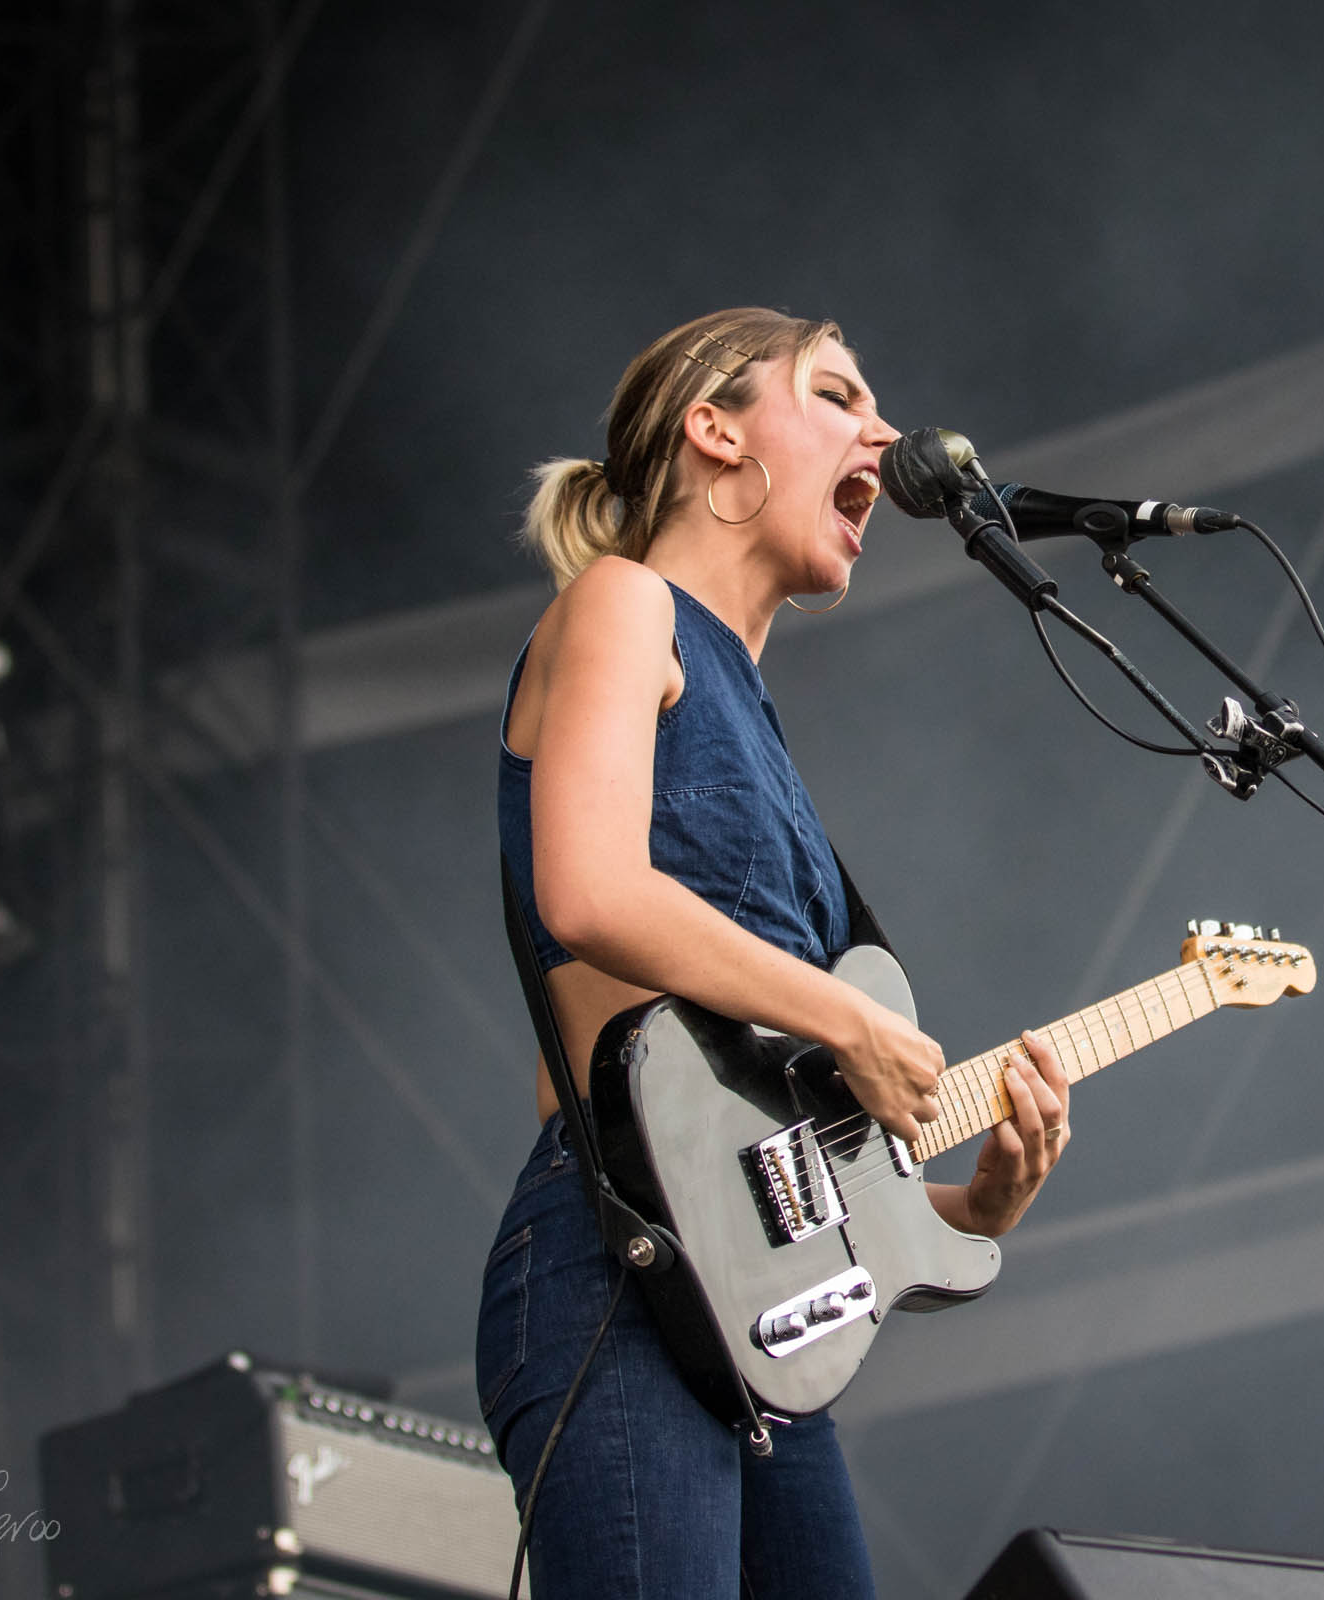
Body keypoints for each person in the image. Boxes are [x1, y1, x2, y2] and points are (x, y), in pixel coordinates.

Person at [477, 308, 1075, 1600]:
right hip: (616, 1276)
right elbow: (586, 893)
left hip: (742, 1318)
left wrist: (972, 1209)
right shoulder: (623, 605)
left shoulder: (759, 725)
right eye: (841, 392)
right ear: (716, 431)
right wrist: (851, 1025)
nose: (886, 434)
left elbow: (766, 1166)